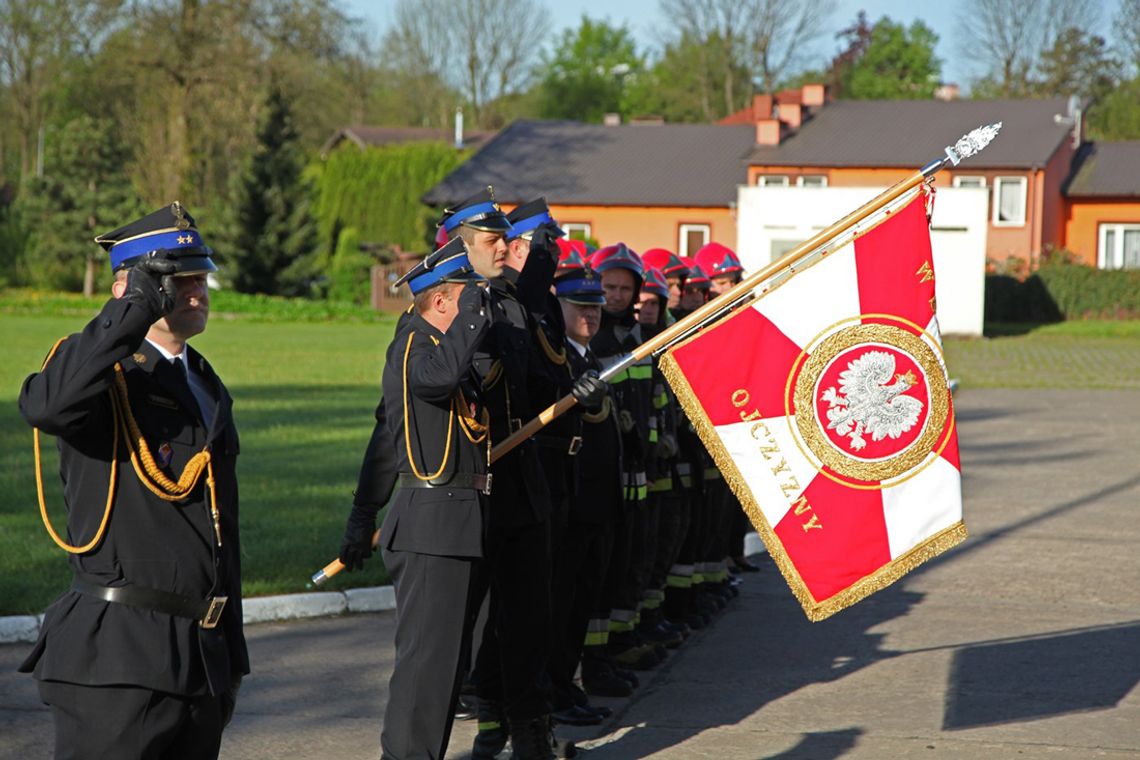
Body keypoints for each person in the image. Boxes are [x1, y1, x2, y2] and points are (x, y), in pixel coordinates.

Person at [18, 202, 248, 760]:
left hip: (198, 660)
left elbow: (221, 530)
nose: (198, 289)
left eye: (201, 275)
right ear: (137, 286)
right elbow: (46, 405)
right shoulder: (101, 373)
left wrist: (231, 656)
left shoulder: (202, 381)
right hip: (120, 661)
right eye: (178, 278)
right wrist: (133, 309)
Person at [373, 237, 493, 760]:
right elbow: (436, 381)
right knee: (425, 668)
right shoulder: (413, 347)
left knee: (446, 669)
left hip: (455, 524)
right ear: (441, 301)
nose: (477, 305)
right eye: (467, 296)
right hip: (429, 525)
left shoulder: (448, 351)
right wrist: (472, 319)